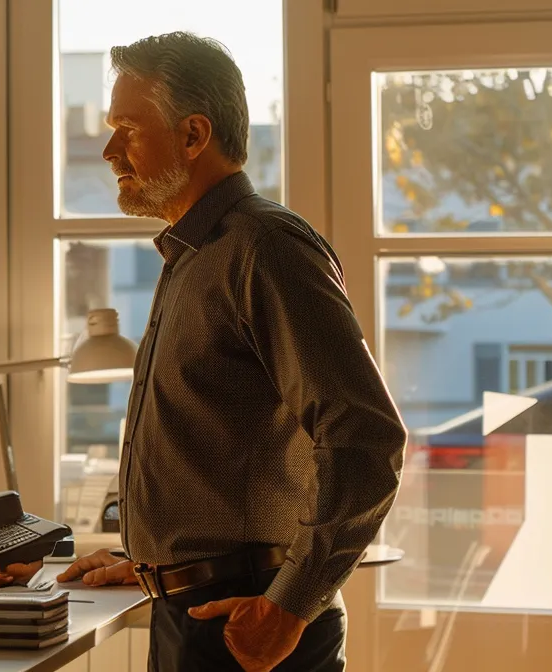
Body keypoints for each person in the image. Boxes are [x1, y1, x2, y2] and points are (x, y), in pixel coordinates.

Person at [55, 33, 407, 672]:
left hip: (247, 622)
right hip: (193, 611)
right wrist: (154, 564)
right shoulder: (194, 255)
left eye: (128, 130)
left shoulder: (264, 248)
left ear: (193, 136)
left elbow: (366, 441)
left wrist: (289, 607)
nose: (108, 152)